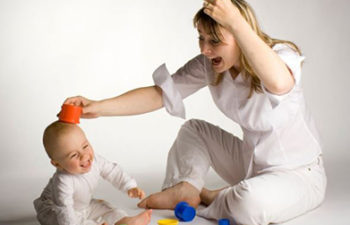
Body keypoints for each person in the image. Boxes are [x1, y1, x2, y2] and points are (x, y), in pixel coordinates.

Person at [63, 0, 326, 224]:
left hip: (299, 174)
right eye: (201, 38)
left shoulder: (280, 55)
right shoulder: (210, 66)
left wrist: (234, 19)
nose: (204, 49)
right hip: (251, 165)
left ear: (240, 33)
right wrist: (99, 106)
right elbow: (160, 94)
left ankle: (210, 195)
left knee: (248, 203)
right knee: (193, 130)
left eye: (214, 41)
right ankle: (186, 188)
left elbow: (279, 83)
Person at [33, 121, 152, 225]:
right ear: (57, 164)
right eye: (74, 155)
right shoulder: (62, 181)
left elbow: (112, 171)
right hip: (54, 208)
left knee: (107, 208)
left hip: (83, 206)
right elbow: (65, 210)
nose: (84, 156)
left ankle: (123, 220)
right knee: (59, 221)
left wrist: (129, 186)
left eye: (85, 146)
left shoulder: (95, 160)